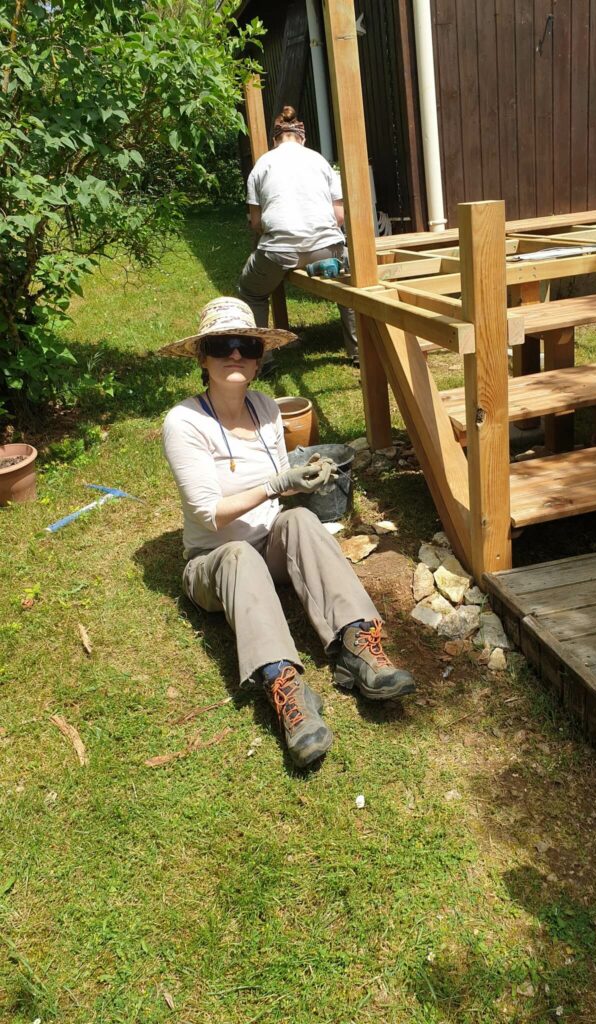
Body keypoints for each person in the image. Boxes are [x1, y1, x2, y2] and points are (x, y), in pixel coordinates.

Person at [159, 297, 415, 768]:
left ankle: (358, 645)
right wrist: (277, 483)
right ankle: (285, 685)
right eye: (222, 345)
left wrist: (304, 479)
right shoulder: (184, 422)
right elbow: (209, 512)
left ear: (258, 357)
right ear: (202, 357)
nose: (235, 355)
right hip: (216, 563)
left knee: (298, 519)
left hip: (268, 547)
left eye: (247, 345)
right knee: (238, 553)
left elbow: (281, 492)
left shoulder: (264, 408)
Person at [239, 105, 359, 366]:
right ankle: (358, 352)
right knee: (349, 288)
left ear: (275, 139)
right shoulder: (319, 161)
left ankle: (263, 359)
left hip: (279, 252)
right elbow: (339, 217)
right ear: (302, 138)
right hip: (328, 247)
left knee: (252, 293)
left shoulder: (262, 165)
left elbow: (257, 222)